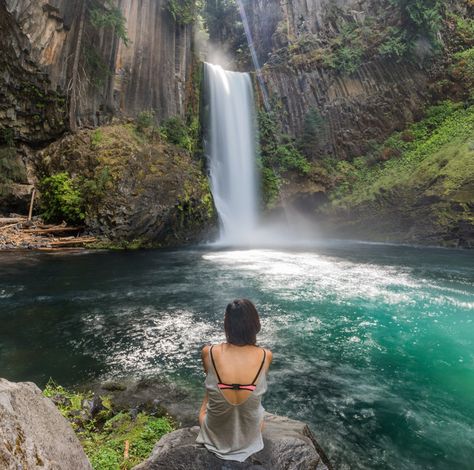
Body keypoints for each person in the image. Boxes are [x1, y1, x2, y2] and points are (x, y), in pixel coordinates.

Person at [196, 299, 273, 462]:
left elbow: (209, 379)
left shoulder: (208, 352)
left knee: (207, 401)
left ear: (227, 324)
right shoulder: (266, 355)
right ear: (255, 324)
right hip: (251, 436)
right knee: (258, 407)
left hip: (214, 436)